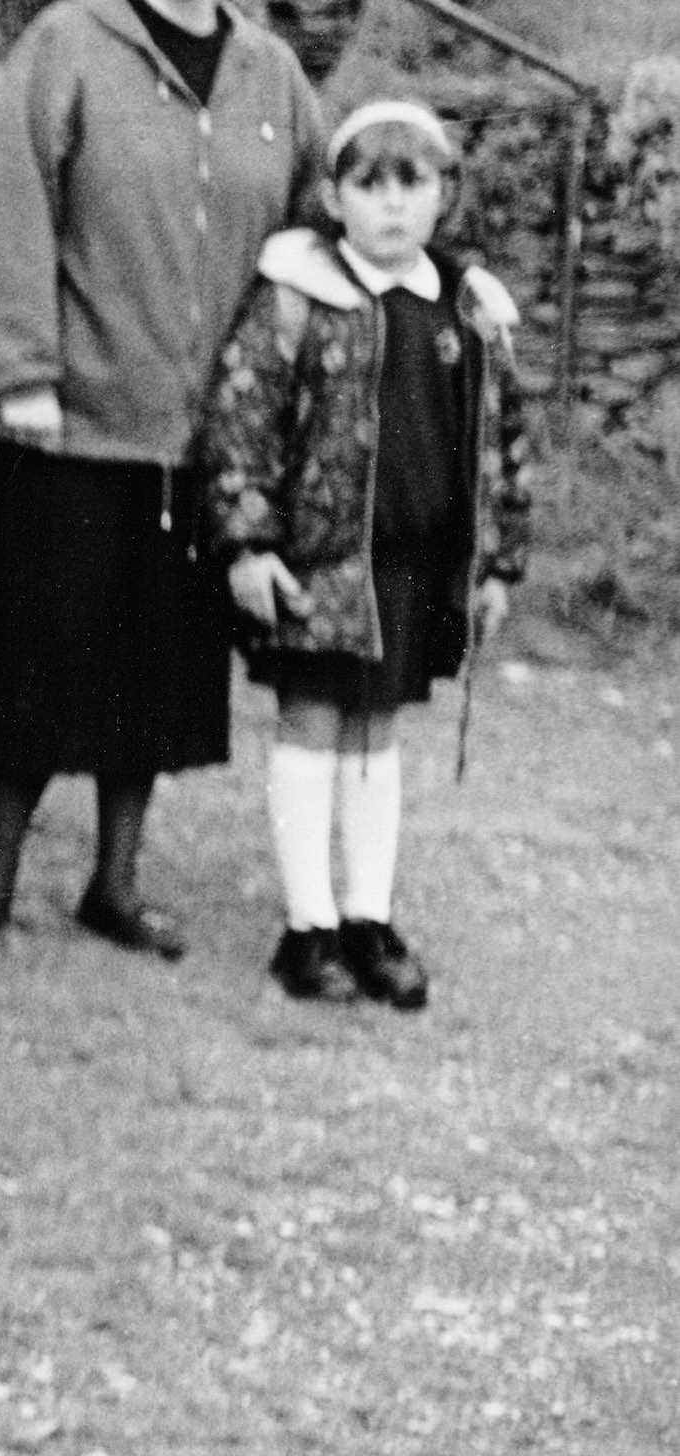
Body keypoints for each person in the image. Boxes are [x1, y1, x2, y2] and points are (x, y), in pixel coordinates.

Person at [0, 0, 324, 958]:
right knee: (35, 657)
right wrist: (21, 372)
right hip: (60, 422)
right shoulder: (66, 43)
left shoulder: (271, 75)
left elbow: (312, 227)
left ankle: (114, 879)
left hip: (199, 439)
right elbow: (11, 205)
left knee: (154, 669)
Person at [200, 98, 531, 1010]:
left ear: (443, 196)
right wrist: (247, 544)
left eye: (411, 183)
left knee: (375, 738)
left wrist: (495, 565)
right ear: (333, 197)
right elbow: (240, 425)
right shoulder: (296, 299)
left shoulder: (464, 309)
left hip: (413, 566)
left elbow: (502, 442)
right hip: (318, 563)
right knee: (311, 726)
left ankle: (367, 918)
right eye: (368, 184)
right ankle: (305, 929)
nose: (390, 205)